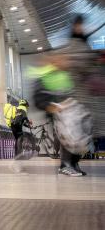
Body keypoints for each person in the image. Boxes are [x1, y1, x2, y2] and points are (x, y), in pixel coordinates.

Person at [41, 15, 104, 176]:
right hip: (70, 99)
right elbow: (68, 63)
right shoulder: (73, 47)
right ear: (75, 26)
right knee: (71, 133)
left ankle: (73, 164)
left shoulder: (82, 44)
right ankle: (65, 165)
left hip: (81, 99)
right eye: (79, 25)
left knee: (81, 135)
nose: (82, 28)